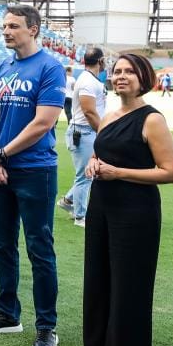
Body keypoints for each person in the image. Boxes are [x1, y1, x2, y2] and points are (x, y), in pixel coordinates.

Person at [0, 4, 66, 346]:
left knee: (39, 249)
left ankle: (46, 326)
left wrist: (3, 154)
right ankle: (8, 313)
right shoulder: (1, 68)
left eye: (13, 26)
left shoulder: (51, 68)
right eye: (4, 26)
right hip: (0, 170)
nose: (6, 31)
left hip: (35, 170)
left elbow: (44, 122)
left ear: (34, 29)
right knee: (2, 245)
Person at [80, 54, 173, 346]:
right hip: (101, 206)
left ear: (143, 77)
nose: (121, 76)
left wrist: (117, 172)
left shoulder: (152, 119)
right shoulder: (108, 116)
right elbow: (100, 153)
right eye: (117, 71)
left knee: (129, 285)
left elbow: (170, 173)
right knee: (98, 277)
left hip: (136, 212)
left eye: (129, 72)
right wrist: (94, 163)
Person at [56, 48, 106, 228]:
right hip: (84, 132)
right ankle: (80, 216)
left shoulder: (89, 79)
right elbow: (89, 111)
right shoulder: (87, 81)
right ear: (101, 60)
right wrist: (103, 131)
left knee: (86, 175)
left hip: (86, 131)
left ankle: (68, 201)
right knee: (85, 175)